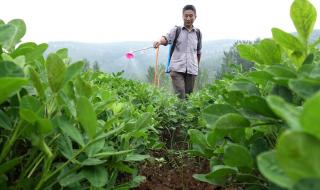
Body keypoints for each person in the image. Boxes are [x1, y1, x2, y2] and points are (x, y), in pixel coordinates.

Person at [153, 4, 202, 99]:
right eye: (186, 16)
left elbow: (199, 52)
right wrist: (159, 41)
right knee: (180, 94)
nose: (188, 18)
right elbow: (166, 38)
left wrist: (196, 67)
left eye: (191, 16)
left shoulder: (198, 33)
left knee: (189, 97)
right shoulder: (176, 30)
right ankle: (179, 112)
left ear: (195, 17)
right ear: (182, 16)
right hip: (176, 69)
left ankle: (185, 113)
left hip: (192, 70)